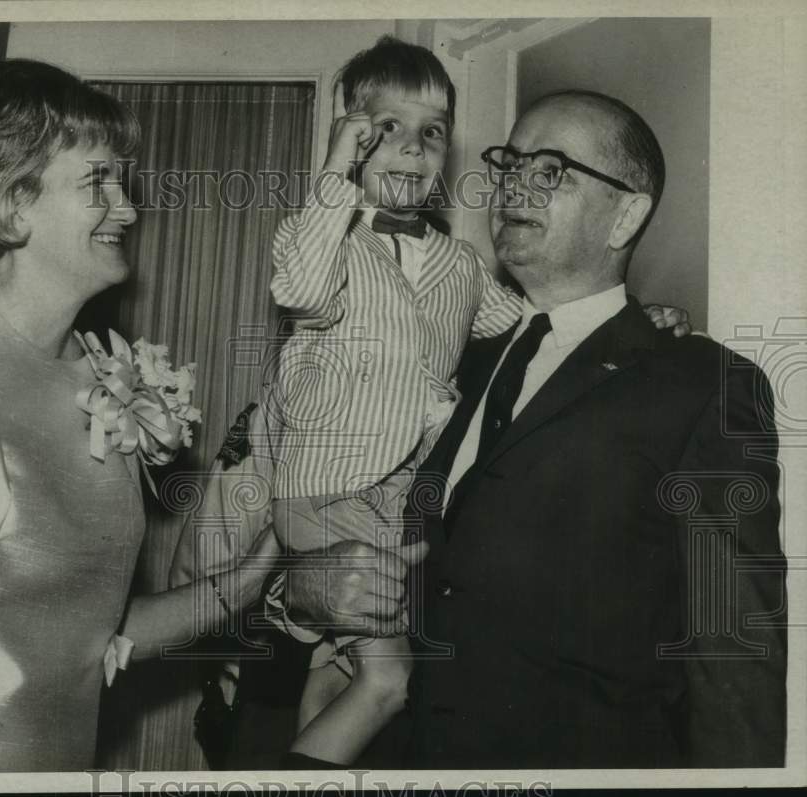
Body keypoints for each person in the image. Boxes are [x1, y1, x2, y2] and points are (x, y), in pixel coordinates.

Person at [278, 90, 786, 768]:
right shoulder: (447, 355)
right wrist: (302, 592)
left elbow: (735, 661)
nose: (515, 186)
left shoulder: (700, 384)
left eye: (551, 171)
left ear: (626, 214)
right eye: (511, 164)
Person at [0, 58, 277, 774]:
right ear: (11, 202)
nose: (128, 210)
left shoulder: (104, 380)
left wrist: (262, 569)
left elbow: (89, 635)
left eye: (122, 184)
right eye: (97, 184)